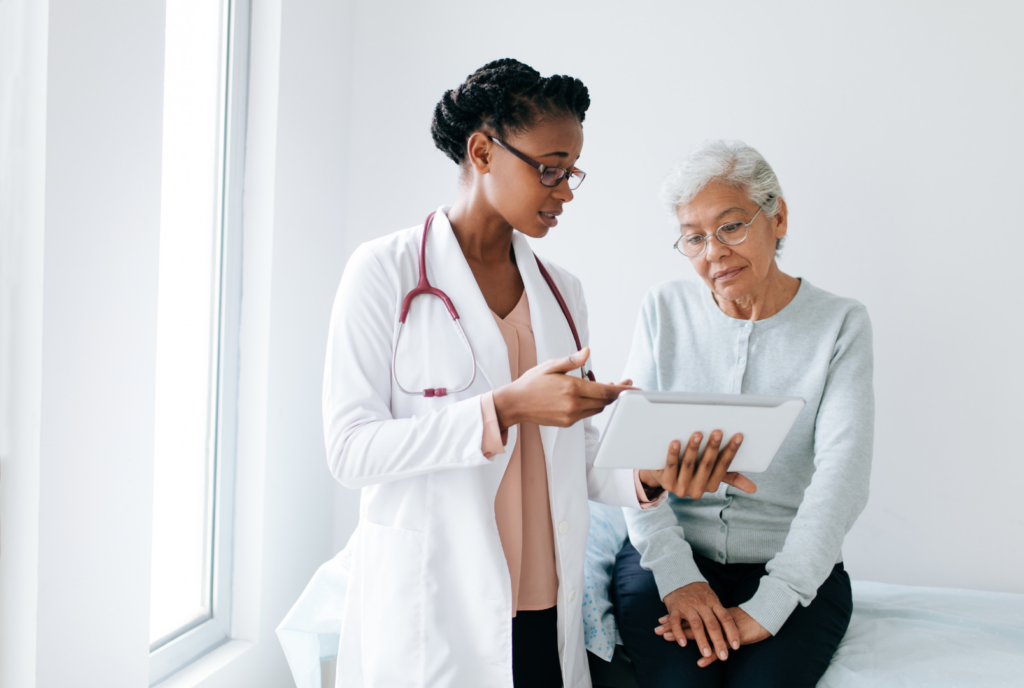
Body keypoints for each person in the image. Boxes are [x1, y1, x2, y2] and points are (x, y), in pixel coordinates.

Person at [321, 61, 753, 688]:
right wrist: (505, 409)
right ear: (482, 151)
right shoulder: (383, 273)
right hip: (436, 604)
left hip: (543, 601)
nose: (567, 190)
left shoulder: (563, 292)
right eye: (550, 168)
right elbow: (350, 451)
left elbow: (573, 457)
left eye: (572, 171)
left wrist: (653, 473)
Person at [611, 140, 874, 688]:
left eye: (731, 227)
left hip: (793, 565)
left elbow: (842, 476)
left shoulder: (841, 324)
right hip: (667, 556)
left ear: (777, 218)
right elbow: (629, 458)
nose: (714, 252)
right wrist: (680, 578)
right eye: (694, 237)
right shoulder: (663, 309)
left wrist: (773, 602)